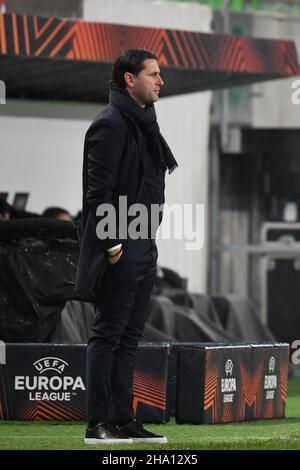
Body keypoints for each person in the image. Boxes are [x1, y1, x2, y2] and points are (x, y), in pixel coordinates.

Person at [75, 49, 178, 445]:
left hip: (143, 242)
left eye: (159, 74)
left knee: (129, 338)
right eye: (153, 74)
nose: (160, 80)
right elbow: (97, 192)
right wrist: (113, 241)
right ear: (128, 80)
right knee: (108, 335)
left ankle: (121, 420)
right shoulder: (111, 124)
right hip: (119, 244)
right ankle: (97, 424)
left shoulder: (144, 122)